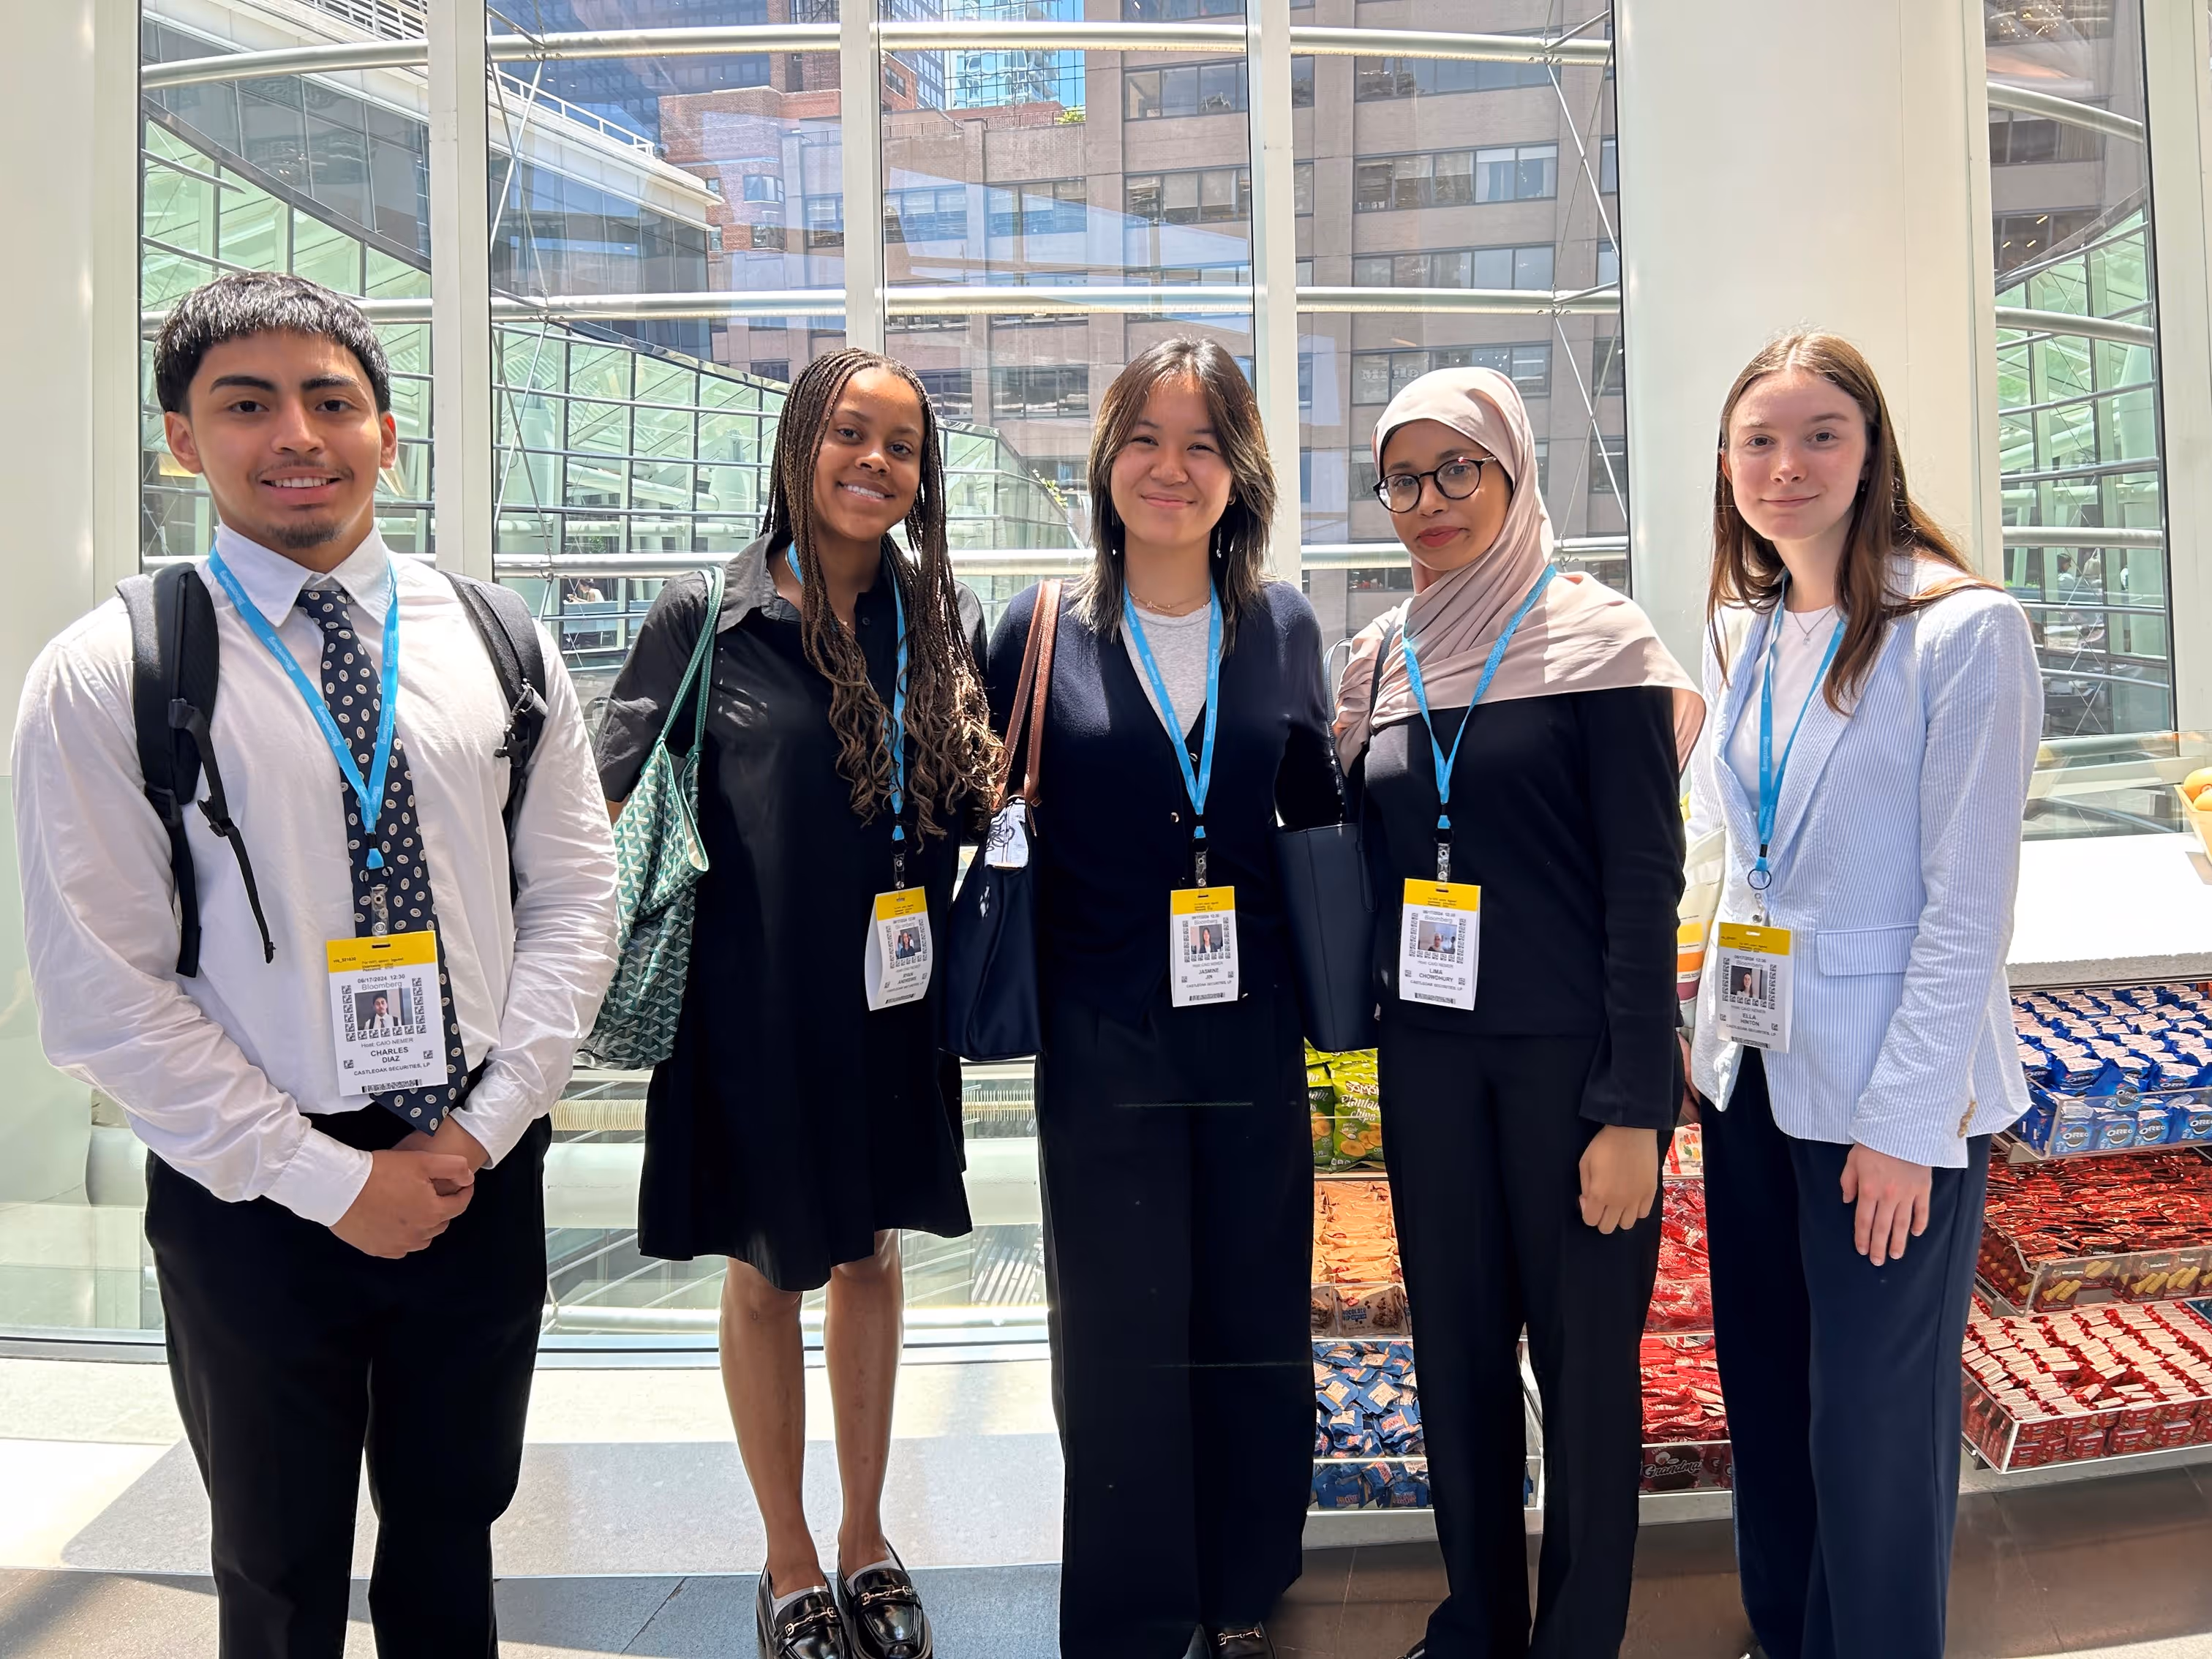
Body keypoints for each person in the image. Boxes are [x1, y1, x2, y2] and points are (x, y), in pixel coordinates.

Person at [12, 271, 620, 1657]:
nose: (297, 435)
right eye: (247, 404)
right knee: (276, 1573)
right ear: (183, 439)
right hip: (253, 1195)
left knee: (455, 1535)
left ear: (386, 434)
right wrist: (329, 1180)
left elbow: (575, 896)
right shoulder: (115, 671)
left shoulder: (497, 641)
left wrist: (481, 1125)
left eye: (331, 401)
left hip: (474, 1164)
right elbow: (103, 985)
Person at [596, 349, 994, 1659]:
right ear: (796, 444)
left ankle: (867, 1532)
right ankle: (786, 1557)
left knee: (872, 1255)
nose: (875, 462)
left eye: (902, 445)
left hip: (893, 1000)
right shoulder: (703, 622)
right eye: (849, 434)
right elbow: (598, 808)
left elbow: (968, 797)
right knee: (768, 1268)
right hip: (749, 1007)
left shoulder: (940, 620)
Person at [1333, 367, 1703, 1659]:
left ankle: (1578, 1636)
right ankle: (1479, 1618)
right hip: (1428, 1066)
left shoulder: (1600, 642)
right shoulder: (1381, 660)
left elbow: (1644, 883)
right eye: (1403, 477)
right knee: (1460, 1359)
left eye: (1458, 471)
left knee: (1590, 1373)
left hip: (1573, 1074)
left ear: (1515, 471)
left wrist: (1632, 1109)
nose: (1427, 502)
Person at [1684, 331, 2041, 1659]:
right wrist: (1698, 1027)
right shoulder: (1747, 627)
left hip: (1891, 1105)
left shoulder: (1962, 631)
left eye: (1821, 433)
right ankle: (1786, 1633)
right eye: (1759, 441)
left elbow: (1967, 911)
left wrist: (1907, 1129)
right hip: (1754, 1076)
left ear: (1872, 450)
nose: (1788, 465)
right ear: (1726, 468)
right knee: (1769, 1398)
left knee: (1874, 1427)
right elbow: (1735, 856)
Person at [983, 338, 1342, 1659]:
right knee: (1121, 1332)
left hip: (1250, 1033)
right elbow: (965, 792)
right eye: (1144, 438)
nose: (1170, 469)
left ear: (1240, 473)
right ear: (1105, 463)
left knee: (1253, 1313)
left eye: (1201, 444)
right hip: (1102, 1034)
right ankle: (1138, 1610)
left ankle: (1244, 1583)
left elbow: (1321, 812)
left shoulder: (1287, 628)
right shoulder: (1038, 629)